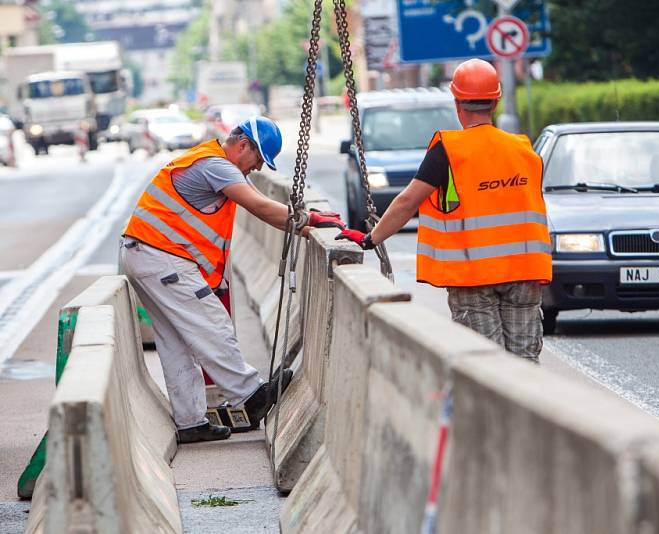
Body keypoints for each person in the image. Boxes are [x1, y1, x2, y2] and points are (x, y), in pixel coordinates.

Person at [121, 116, 344, 443]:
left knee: (176, 341)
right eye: (257, 159)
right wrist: (311, 218)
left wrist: (307, 228)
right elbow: (261, 207)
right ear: (243, 145)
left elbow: (268, 208)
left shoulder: (212, 161)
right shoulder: (217, 166)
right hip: (160, 256)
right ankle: (250, 395)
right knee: (213, 324)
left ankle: (190, 422)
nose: (257, 168)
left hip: (144, 253)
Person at [336, 59, 552, 361]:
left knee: (487, 368)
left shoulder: (449, 149)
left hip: (473, 276)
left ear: (457, 103)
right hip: (525, 272)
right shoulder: (524, 150)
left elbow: (407, 202)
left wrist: (371, 238)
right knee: (525, 367)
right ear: (496, 101)